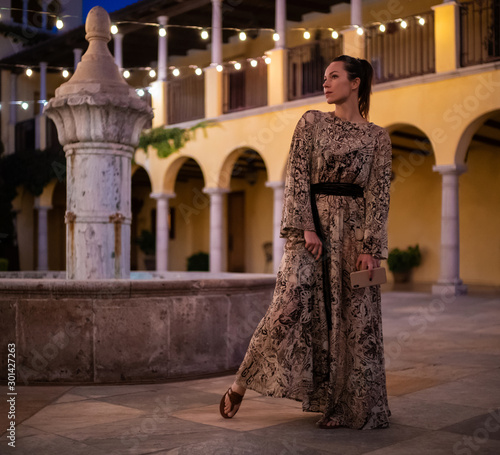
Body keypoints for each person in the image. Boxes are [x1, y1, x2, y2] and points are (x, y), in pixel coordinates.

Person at [220, 55, 392, 430]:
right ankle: (240, 383)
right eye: (325, 77)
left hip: (353, 235)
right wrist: (306, 227)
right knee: (287, 305)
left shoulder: (377, 136)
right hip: (309, 233)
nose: (325, 83)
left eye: (334, 76)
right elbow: (296, 176)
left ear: (356, 82)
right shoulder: (312, 123)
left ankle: (344, 405)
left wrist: (370, 248)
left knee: (351, 319)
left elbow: (378, 195)